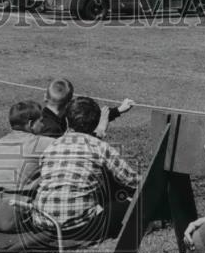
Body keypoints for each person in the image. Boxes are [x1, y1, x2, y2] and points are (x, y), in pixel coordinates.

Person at [31, 96, 140, 239]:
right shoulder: (99, 147)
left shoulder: (51, 146)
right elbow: (133, 181)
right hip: (81, 227)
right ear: (96, 124)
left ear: (67, 120)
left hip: (42, 222)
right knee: (131, 204)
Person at [0, 101, 57, 232]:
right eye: (40, 121)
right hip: (15, 214)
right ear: (30, 124)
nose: (43, 125)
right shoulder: (42, 143)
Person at [35, 78, 133, 139]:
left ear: (45, 97)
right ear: (69, 103)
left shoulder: (53, 117)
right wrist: (98, 133)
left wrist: (119, 110)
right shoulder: (50, 130)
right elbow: (72, 151)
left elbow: (91, 115)